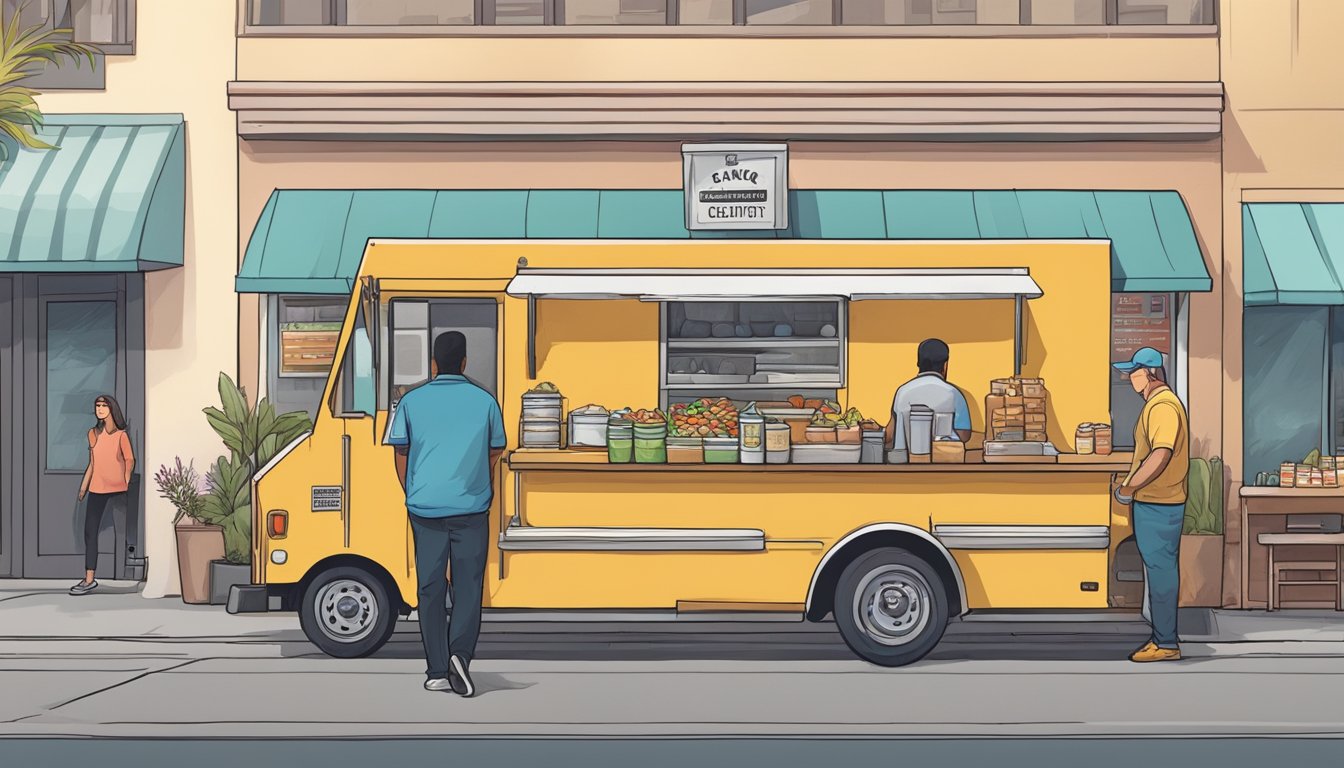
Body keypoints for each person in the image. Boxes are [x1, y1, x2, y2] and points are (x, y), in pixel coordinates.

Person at [387, 331, 506, 696]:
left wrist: (415, 491)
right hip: (471, 506)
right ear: (465, 363)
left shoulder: (411, 401)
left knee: (430, 587)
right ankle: (461, 656)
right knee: (469, 586)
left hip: (426, 508)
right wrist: (473, 482)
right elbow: (495, 451)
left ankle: (437, 669)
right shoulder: (485, 401)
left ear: (434, 364)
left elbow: (400, 453)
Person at [1112, 346, 1189, 663]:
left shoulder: (1163, 407)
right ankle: (1163, 637)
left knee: (1160, 571)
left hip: (1160, 502)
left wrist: (1130, 486)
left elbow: (1161, 453)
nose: (1128, 377)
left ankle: (1166, 642)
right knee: (1159, 569)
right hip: (1157, 501)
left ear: (1150, 373)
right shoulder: (1158, 405)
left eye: (1133, 371)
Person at [71, 395, 135, 596]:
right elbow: (93, 463)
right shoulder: (92, 434)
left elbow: (129, 459)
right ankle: (89, 579)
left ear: (111, 409)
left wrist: (125, 479)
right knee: (90, 532)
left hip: (119, 490)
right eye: (97, 406)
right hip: (97, 489)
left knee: (125, 532)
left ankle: (131, 575)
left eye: (103, 405)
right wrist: (83, 487)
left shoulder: (121, 435)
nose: (99, 409)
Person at [886, 338, 972, 463]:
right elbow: (964, 436)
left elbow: (890, 434)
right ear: (945, 365)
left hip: (906, 466)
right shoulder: (953, 393)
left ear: (918, 363)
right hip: (944, 466)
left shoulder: (902, 392)